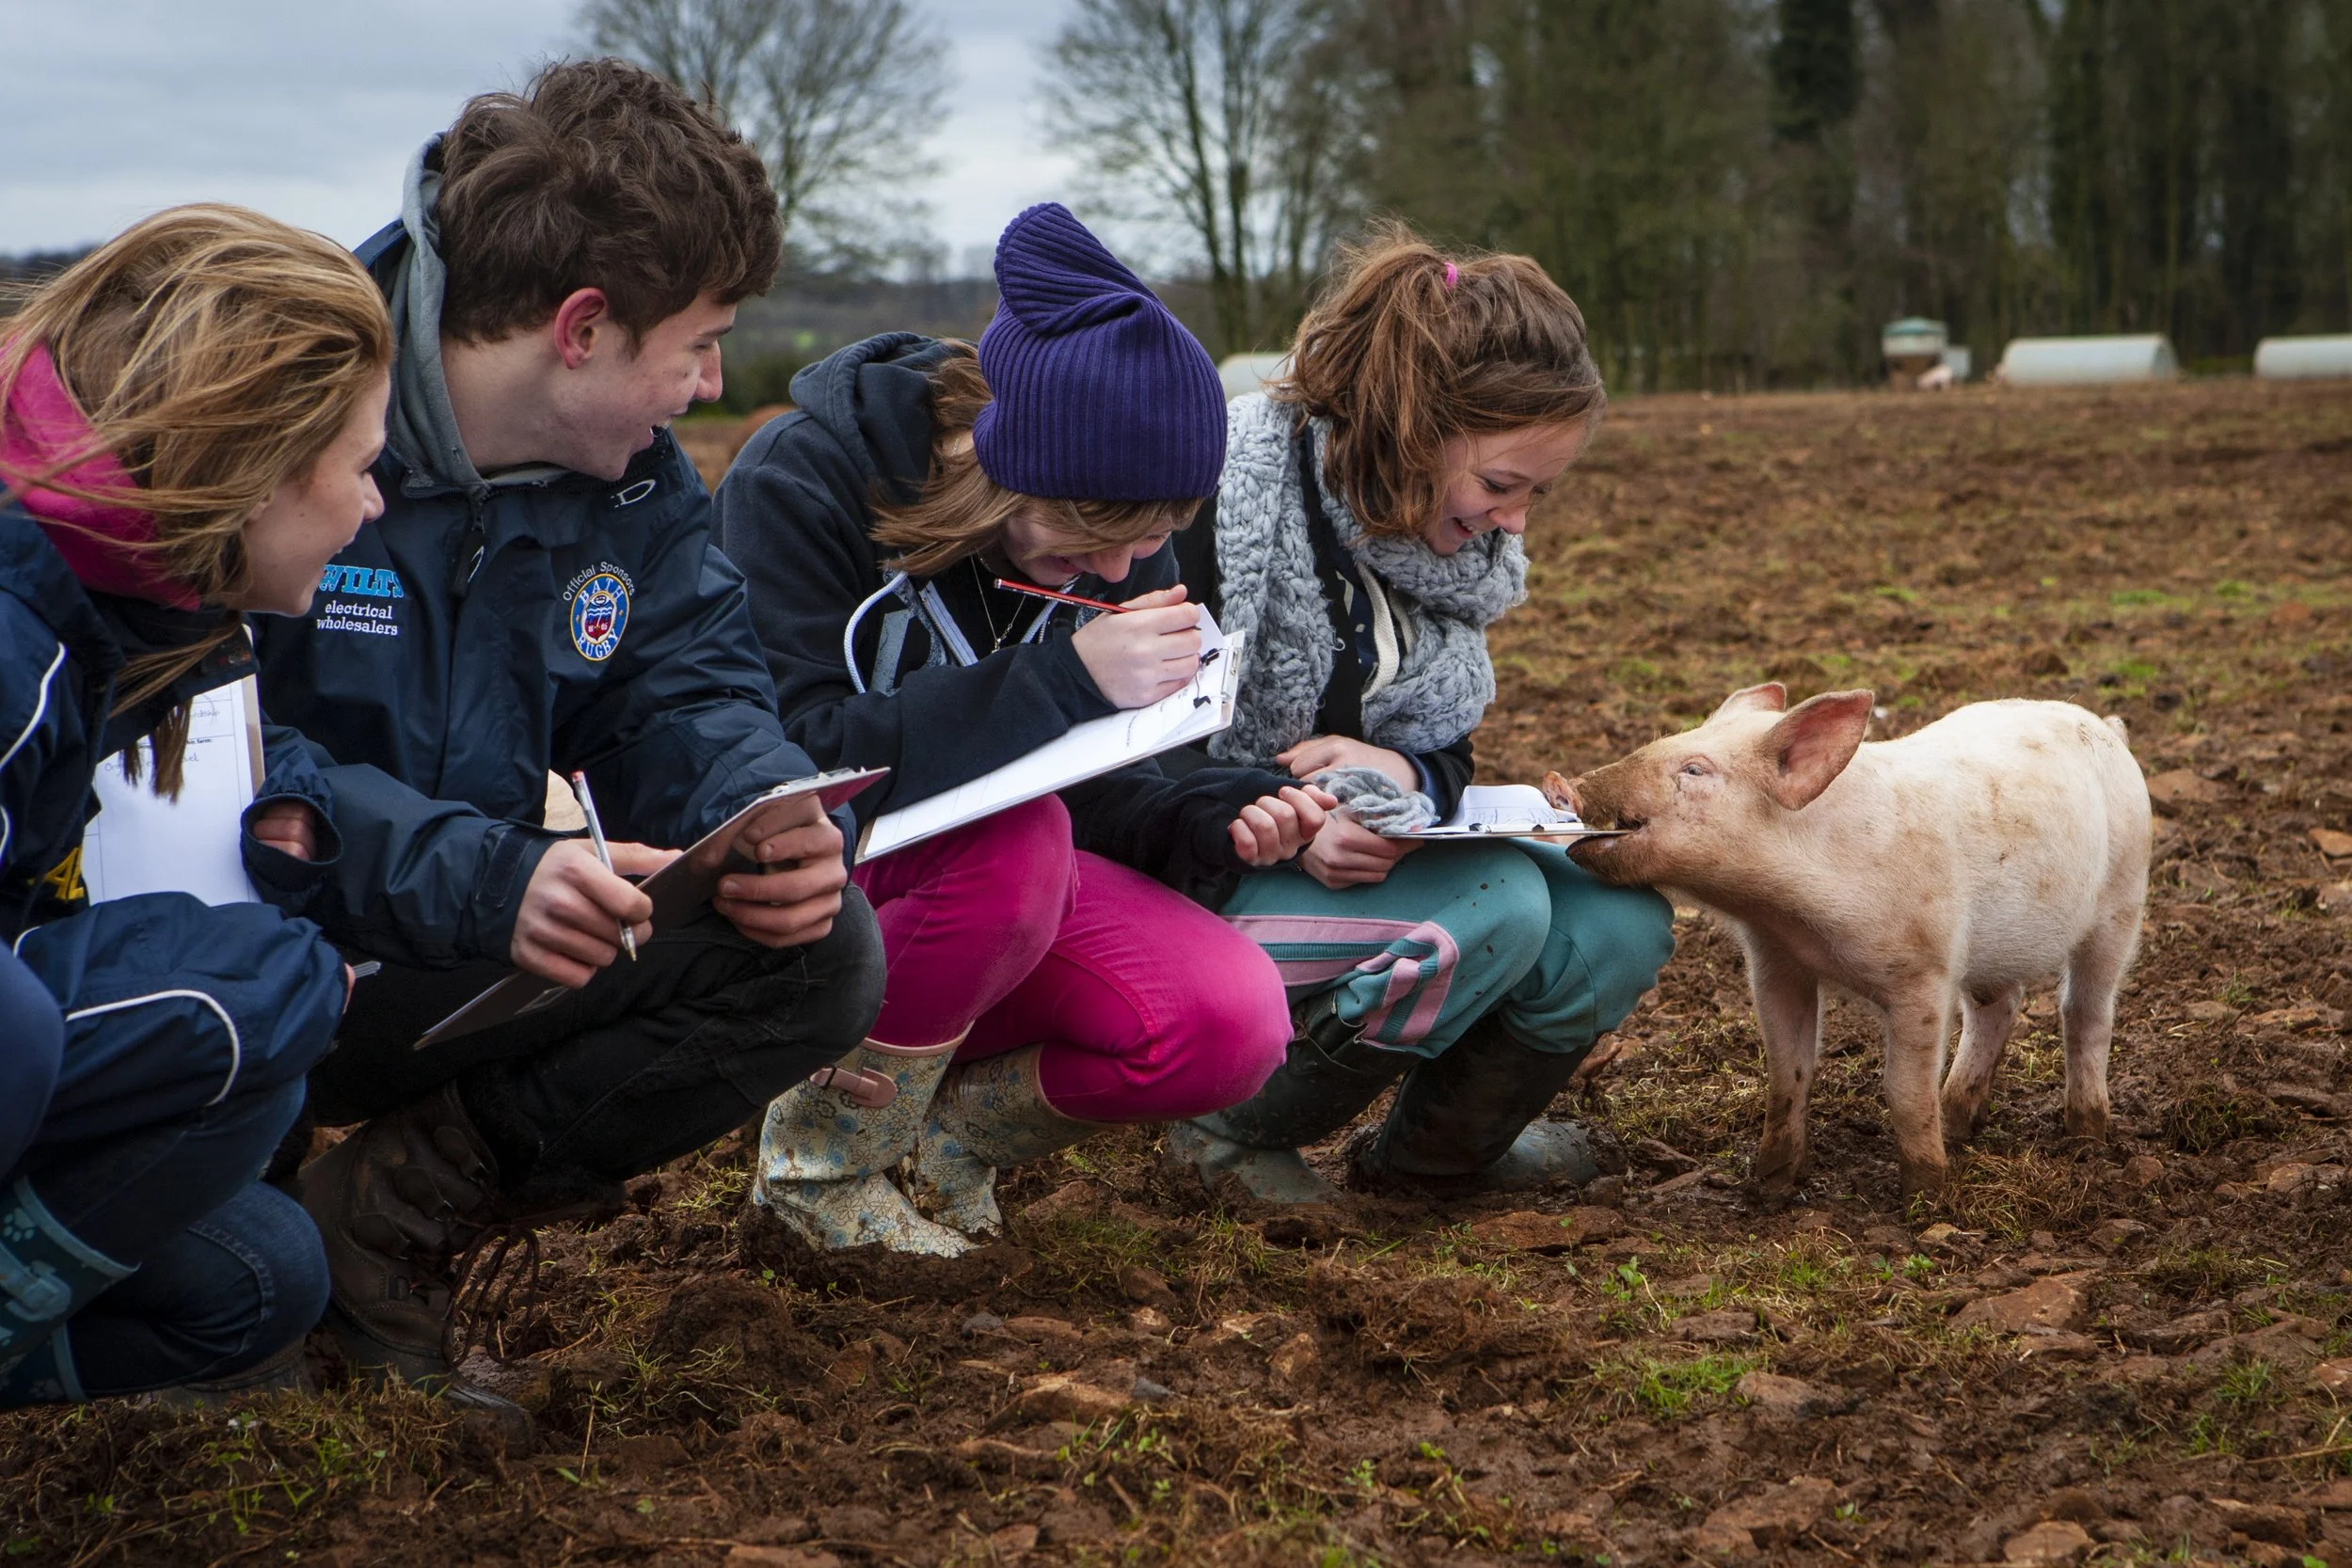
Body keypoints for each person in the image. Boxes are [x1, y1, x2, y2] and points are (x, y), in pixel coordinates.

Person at [244, 59, 884, 1401]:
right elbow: (202, 768)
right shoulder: (277, 404)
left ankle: (379, 1227)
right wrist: (493, 875)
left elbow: (685, 683)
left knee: (812, 949)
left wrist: (757, 816)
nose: (710, 382)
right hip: (236, 949)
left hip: (456, 933)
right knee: (232, 1292)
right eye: (697, 342)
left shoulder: (631, 481)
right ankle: (223, 1252)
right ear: (582, 326)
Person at [713, 204, 1311, 1256]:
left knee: (1230, 1022)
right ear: (1007, 465)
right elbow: (791, 755)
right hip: (804, 897)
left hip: (1002, 896)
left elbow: (1099, 772)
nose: (1121, 569)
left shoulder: (1118, 544)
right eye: (1091, 533)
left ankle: (942, 1140)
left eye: (1155, 538)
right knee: (1015, 840)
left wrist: (1203, 810)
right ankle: (820, 1165)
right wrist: (1061, 678)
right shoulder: (801, 479)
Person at [1164, 225, 1677, 1201]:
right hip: (1193, 876)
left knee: (1616, 924)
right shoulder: (1213, 501)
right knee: (1498, 903)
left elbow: (1440, 743)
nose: (1515, 522)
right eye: (1501, 484)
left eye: (1537, 492)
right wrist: (1280, 813)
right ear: (1411, 429)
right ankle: (1230, 1129)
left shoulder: (1437, 550)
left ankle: (1436, 1158)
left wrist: (1402, 773)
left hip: (1343, 864)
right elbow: (1121, 765)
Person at [0, 206, 381, 1404]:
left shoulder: (117, 594)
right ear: (263, 472)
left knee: (256, 1273)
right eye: (362, 466)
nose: (374, 506)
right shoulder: (15, 644)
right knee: (246, 998)